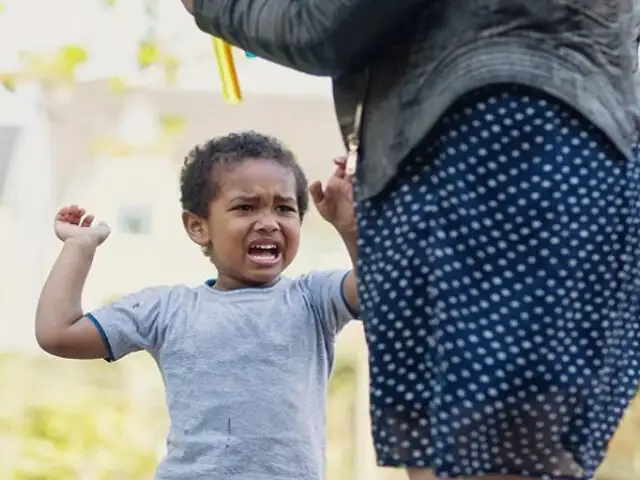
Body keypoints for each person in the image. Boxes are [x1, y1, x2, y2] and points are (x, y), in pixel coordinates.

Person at [181, 1, 640, 480]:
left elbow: (326, 25)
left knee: (496, 455)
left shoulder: (309, 297)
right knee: (458, 457)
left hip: (493, 147)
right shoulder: (175, 308)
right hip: (558, 150)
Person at [34, 131, 360, 480]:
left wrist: (352, 227)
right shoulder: (168, 309)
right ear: (198, 226)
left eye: (284, 208)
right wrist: (78, 246)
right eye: (245, 207)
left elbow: (379, 291)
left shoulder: (313, 298)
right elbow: (58, 333)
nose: (268, 222)